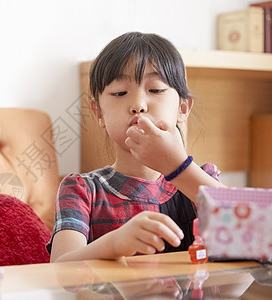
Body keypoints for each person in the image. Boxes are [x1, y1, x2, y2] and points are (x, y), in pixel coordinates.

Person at [48, 32, 226, 262]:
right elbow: (59, 268)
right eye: (120, 93)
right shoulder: (82, 190)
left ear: (183, 108)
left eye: (156, 90)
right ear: (98, 113)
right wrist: (115, 244)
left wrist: (178, 167)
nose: (138, 105)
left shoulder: (203, 178)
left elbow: (252, 233)